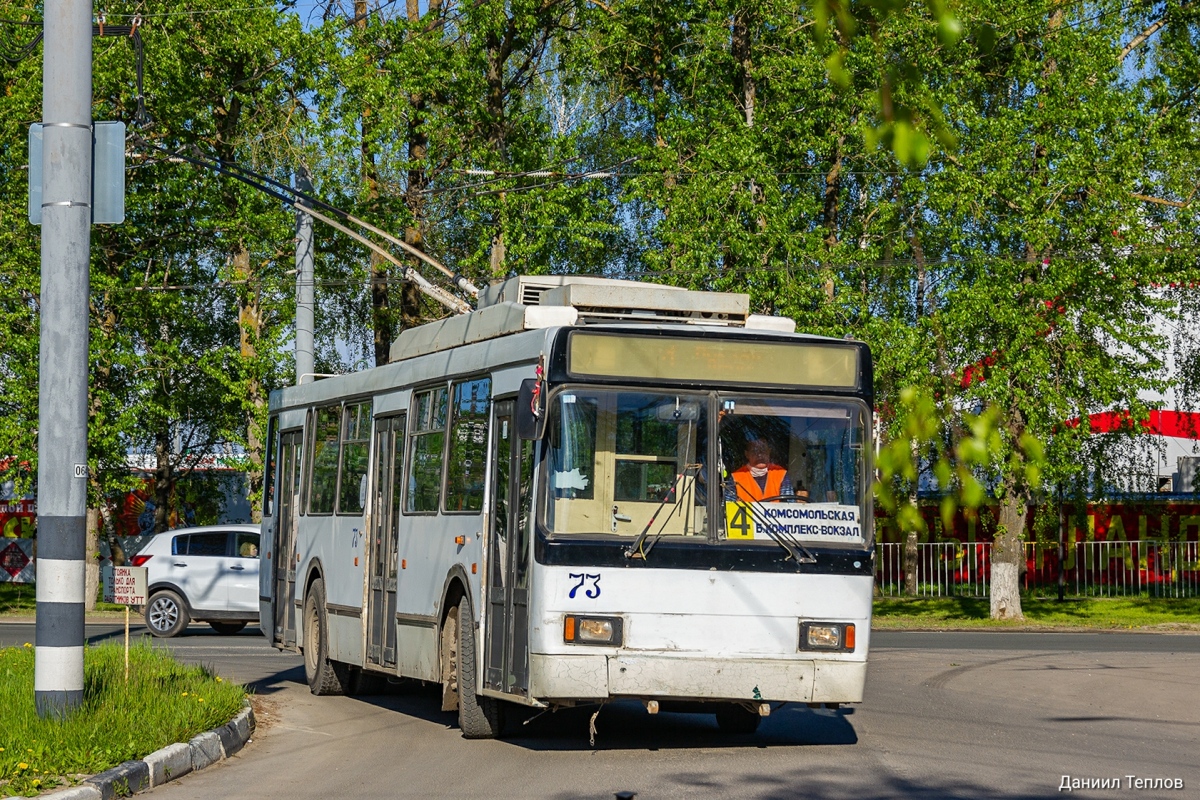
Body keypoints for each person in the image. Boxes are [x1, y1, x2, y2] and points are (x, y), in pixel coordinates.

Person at [726, 439, 796, 502]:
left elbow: (789, 505)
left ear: (769, 452)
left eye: (763, 450)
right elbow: (727, 507)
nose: (760, 455)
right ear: (747, 454)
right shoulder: (736, 477)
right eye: (755, 451)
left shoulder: (781, 474)